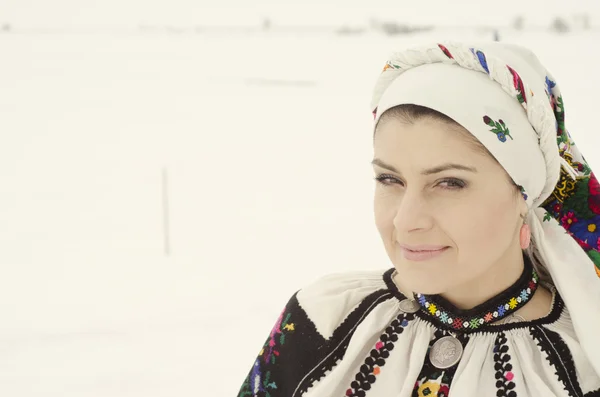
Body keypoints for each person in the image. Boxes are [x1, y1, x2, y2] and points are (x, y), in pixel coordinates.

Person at [235, 41, 600, 397]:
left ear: (523, 194)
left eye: (449, 183)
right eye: (389, 179)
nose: (406, 221)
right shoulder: (323, 319)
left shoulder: (582, 363)